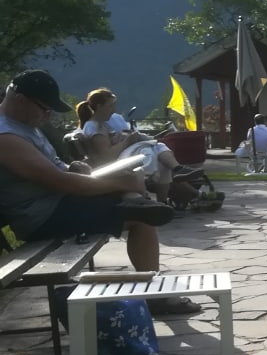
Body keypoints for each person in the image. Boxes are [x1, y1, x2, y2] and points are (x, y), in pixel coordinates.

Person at [0, 71, 200, 315]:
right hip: (42, 217)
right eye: (44, 108)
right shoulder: (6, 137)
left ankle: (134, 202)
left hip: (58, 203)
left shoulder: (22, 125)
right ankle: (154, 295)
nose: (47, 115)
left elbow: (56, 171)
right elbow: (60, 182)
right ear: (20, 99)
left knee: (133, 189)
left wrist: (74, 167)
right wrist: (119, 184)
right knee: (141, 216)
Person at [74, 88, 198, 208]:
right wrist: (127, 141)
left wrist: (122, 138)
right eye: (110, 106)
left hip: (118, 160)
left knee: (160, 157)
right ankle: (169, 187)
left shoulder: (100, 125)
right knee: (156, 152)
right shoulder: (94, 128)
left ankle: (164, 202)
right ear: (99, 106)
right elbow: (107, 156)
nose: (113, 110)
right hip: (112, 165)